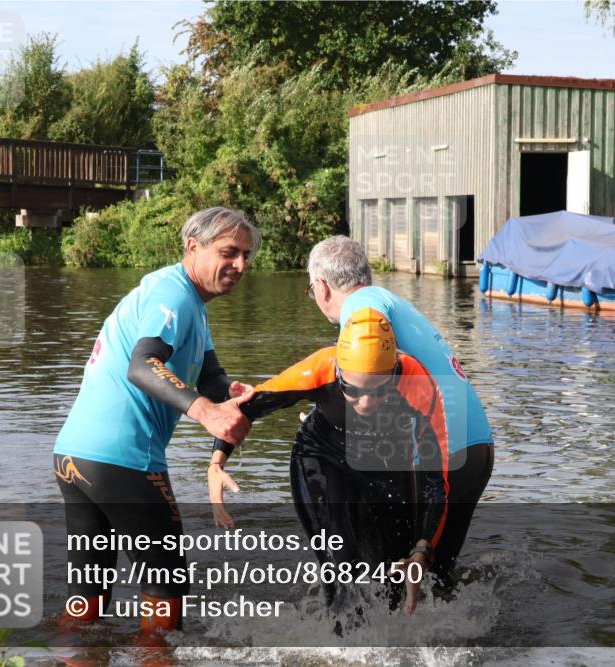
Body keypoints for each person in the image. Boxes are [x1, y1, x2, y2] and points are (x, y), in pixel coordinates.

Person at [53, 207, 261, 637]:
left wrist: (230, 393)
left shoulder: (187, 302)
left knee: (86, 598)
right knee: (166, 602)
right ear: (193, 247)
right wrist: (207, 413)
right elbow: (143, 366)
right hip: (124, 462)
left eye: (245, 256)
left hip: (75, 456)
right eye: (229, 252)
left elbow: (210, 377)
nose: (239, 265)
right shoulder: (175, 295)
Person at [208, 308, 450, 615]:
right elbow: (246, 407)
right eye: (352, 390)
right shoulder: (320, 367)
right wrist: (217, 463)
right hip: (322, 459)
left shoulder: (420, 384)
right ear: (338, 373)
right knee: (342, 570)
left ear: (394, 374)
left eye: (379, 392)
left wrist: (422, 550)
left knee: (393, 578)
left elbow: (435, 483)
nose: (365, 403)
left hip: (386, 465)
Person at [303, 236, 494, 576]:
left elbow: (368, 378)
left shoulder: (362, 310)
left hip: (441, 453)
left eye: (311, 290)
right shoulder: (393, 301)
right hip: (476, 445)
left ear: (321, 286)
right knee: (433, 578)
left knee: (395, 575)